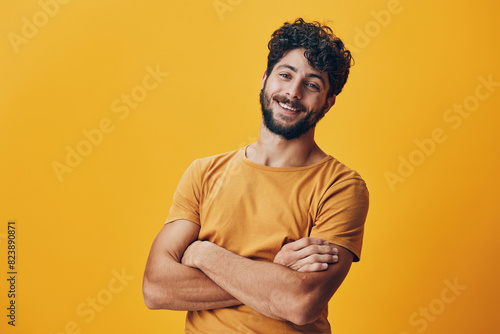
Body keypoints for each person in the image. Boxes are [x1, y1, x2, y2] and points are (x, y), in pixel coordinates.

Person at [143, 18, 369, 333]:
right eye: (285, 75)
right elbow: (156, 288)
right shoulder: (204, 172)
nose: (293, 92)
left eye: (312, 84)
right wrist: (273, 273)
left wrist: (202, 253)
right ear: (265, 79)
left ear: (328, 103)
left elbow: (300, 303)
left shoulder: (341, 186)